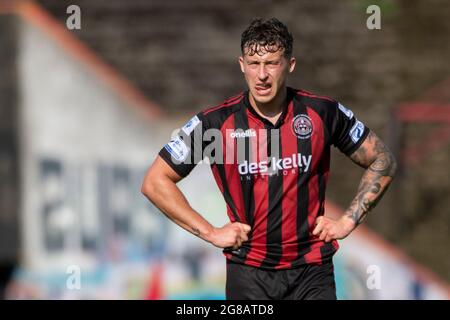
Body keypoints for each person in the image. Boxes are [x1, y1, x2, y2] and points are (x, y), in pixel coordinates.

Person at [141, 18, 397, 300]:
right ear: (242, 65)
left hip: (311, 271)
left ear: (290, 64)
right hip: (249, 275)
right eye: (254, 63)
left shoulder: (322, 113)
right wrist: (211, 232)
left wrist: (347, 222)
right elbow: (155, 181)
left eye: (272, 63)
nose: (262, 75)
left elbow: (382, 159)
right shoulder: (215, 124)